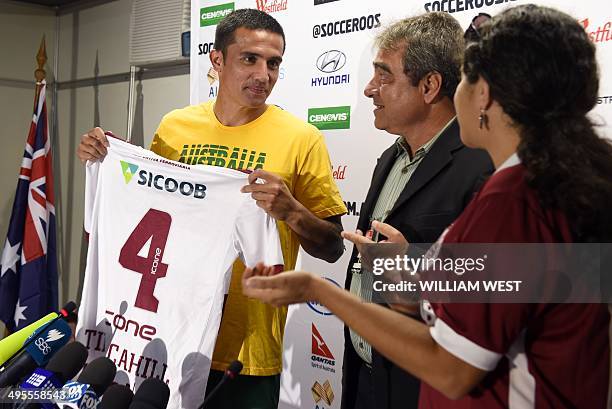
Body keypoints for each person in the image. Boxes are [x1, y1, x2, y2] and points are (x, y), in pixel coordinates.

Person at [242, 4, 612, 408]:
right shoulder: (551, 185)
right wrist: (414, 280)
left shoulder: (513, 198)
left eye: (466, 78)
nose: (369, 88)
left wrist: (316, 290)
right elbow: (508, 291)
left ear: (483, 93)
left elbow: (453, 368)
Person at [77, 8, 346, 409]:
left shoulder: (301, 138)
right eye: (249, 59)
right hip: (167, 335)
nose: (263, 75)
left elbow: (333, 246)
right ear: (217, 60)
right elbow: (149, 208)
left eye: (274, 63)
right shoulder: (174, 127)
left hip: (247, 351)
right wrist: (108, 158)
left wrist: (292, 211)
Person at [342, 12, 492, 409]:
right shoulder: (387, 159)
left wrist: (415, 272)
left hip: (423, 390)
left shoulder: (481, 168)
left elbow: (494, 293)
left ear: (429, 86)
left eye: (384, 75)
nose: (370, 89)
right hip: (364, 379)